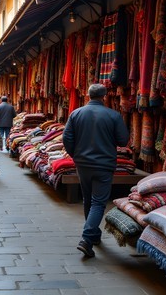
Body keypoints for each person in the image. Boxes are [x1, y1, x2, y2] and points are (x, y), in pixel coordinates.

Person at [62, 83, 129, 258]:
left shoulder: (76, 114)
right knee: (99, 202)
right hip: (104, 164)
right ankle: (87, 238)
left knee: (88, 200)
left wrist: (75, 155)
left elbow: (67, 138)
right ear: (104, 96)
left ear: (88, 95)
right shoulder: (113, 115)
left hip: (83, 164)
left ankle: (94, 235)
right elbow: (123, 140)